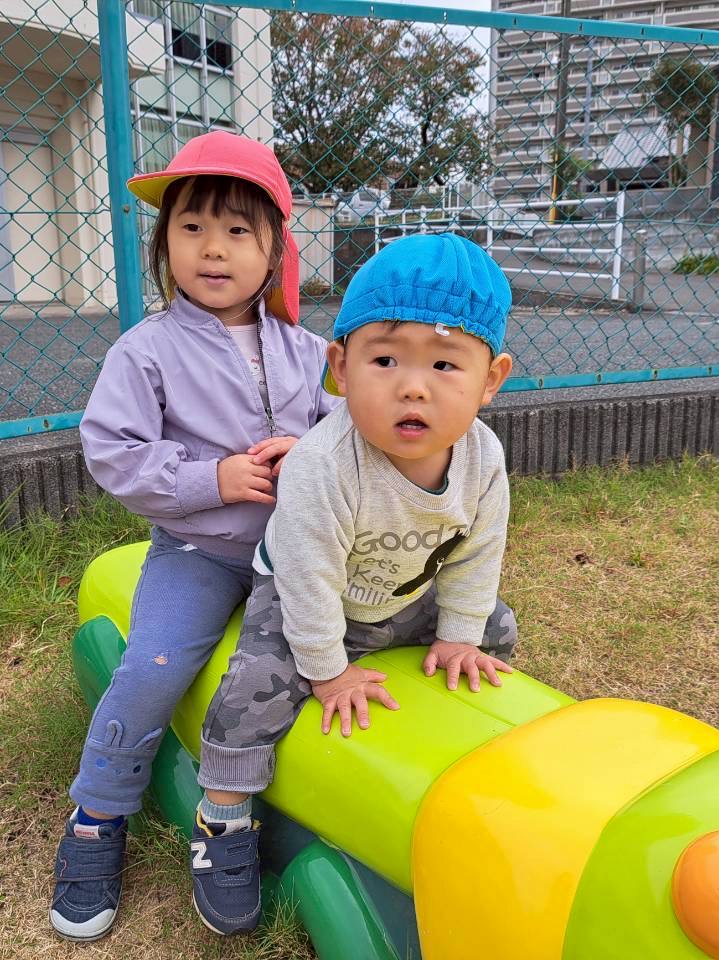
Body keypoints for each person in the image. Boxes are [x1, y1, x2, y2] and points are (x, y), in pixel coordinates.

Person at [49, 131, 337, 942]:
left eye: (238, 230)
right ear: (163, 244)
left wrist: (310, 449)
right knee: (154, 666)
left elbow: (348, 430)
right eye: (192, 227)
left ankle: (238, 807)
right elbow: (113, 451)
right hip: (200, 553)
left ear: (275, 250)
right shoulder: (146, 351)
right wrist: (213, 479)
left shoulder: (306, 351)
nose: (213, 248)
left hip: (297, 555)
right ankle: (97, 815)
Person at [187, 233, 518, 935]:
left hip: (405, 594)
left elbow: (476, 553)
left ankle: (457, 726)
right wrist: (328, 672)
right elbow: (307, 582)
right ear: (340, 368)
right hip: (312, 599)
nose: (413, 386)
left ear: (491, 379)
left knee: (494, 625)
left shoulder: (484, 458)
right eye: (385, 359)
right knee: (250, 691)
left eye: (445, 364)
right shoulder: (324, 464)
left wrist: (460, 635)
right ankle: (223, 817)